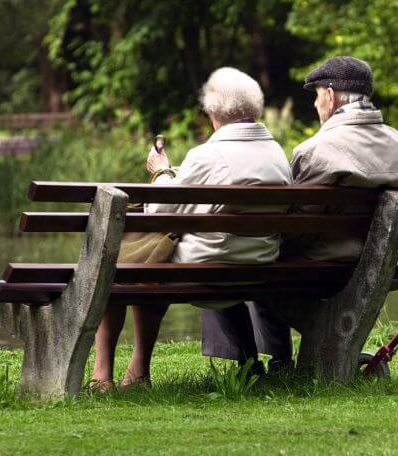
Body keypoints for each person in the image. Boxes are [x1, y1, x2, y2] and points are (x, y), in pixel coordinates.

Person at [201, 56, 398, 371]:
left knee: (234, 253)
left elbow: (297, 232)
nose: (316, 104)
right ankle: (279, 361)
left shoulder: (316, 150)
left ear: (330, 95)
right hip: (381, 266)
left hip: (322, 270)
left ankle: (254, 364)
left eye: (316, 95)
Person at [89, 67, 292, 391]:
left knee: (127, 260)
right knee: (145, 259)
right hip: (259, 263)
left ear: (214, 111)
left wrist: (162, 171)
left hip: (207, 265)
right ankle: (136, 372)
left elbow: (158, 212)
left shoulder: (206, 155)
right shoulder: (277, 154)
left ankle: (104, 377)